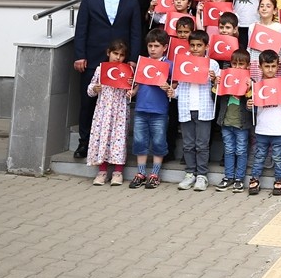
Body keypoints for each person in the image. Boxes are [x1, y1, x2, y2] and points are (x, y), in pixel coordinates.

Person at [73, 0, 142, 159]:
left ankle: (113, 147)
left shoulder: (131, 1)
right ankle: (84, 143)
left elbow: (136, 32)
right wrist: (79, 55)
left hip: (121, 62)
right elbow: (81, 29)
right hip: (93, 58)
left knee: (117, 106)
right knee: (88, 102)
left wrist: (134, 59)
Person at [175, 30, 219, 191]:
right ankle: (189, 173)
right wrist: (171, 92)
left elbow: (218, 89)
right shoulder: (183, 63)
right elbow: (179, 87)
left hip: (204, 109)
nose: (195, 48)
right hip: (186, 107)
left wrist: (215, 80)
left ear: (206, 46)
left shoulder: (212, 64)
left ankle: (202, 175)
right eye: (192, 45)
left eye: (199, 45)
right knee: (188, 144)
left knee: (202, 144)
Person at [86, 39, 133, 186]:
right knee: (103, 138)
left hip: (119, 111)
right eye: (115, 53)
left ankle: (118, 171)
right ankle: (102, 171)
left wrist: (131, 87)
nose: (117, 57)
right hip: (103, 111)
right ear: (108, 53)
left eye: (121, 55)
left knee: (118, 140)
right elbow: (90, 89)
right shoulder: (100, 69)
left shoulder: (127, 70)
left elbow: (130, 93)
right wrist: (95, 88)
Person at [129, 28, 171, 189]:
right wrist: (132, 92)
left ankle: (155, 174)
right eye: (150, 46)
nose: (152, 49)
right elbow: (137, 84)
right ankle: (141, 173)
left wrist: (168, 87)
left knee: (159, 142)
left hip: (159, 110)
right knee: (139, 141)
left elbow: (174, 85)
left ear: (164, 47)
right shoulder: (142, 63)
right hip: (141, 109)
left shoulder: (168, 64)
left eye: (156, 46)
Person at [248, 50, 281, 196]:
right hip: (262, 129)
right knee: (259, 155)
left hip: (279, 129)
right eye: (267, 66)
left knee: (278, 157)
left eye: (273, 66)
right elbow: (254, 110)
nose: (270, 69)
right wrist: (250, 105)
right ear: (260, 67)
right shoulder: (257, 86)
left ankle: (279, 180)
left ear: (277, 66)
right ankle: (255, 178)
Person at [215, 49, 252, 192]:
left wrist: (250, 88)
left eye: (241, 64)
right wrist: (216, 84)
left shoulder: (250, 81)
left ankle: (239, 179)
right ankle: (228, 177)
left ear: (247, 66)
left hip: (241, 124)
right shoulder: (226, 79)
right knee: (229, 150)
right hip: (226, 122)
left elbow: (252, 106)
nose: (237, 67)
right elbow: (216, 100)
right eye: (234, 64)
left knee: (241, 151)